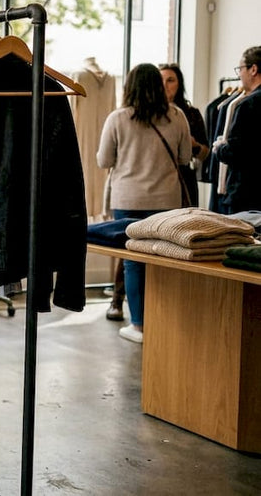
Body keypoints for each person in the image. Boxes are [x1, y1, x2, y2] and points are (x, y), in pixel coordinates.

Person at [97, 63, 192, 344]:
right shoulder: (177, 117)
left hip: (128, 199)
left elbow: (104, 161)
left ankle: (139, 325)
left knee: (133, 263)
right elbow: (185, 158)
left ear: (130, 87)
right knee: (165, 263)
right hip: (166, 200)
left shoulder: (117, 118)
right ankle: (167, 323)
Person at [212, 46, 261, 213]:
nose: (239, 74)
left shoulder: (247, 104)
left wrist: (219, 148)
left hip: (246, 192)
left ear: (253, 69)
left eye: (240, 69)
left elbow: (236, 151)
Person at [159, 63, 209, 207]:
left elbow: (205, 154)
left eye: (170, 80)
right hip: (156, 179)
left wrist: (194, 145)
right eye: (161, 80)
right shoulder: (148, 114)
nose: (164, 85)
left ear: (179, 84)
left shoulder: (191, 113)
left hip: (184, 177)